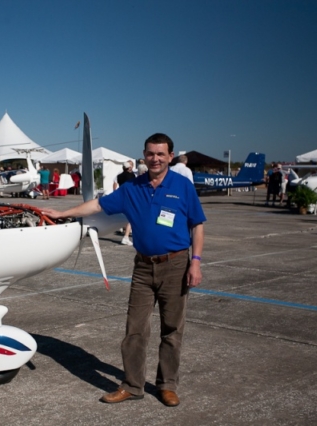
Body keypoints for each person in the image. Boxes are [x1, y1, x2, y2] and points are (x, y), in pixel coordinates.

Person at [41, 133, 205, 407]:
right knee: (135, 330)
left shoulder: (183, 186)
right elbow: (97, 205)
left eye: (161, 154)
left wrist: (196, 261)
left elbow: (197, 225)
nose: (155, 158)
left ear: (170, 157)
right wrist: (62, 213)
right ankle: (132, 385)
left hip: (176, 265)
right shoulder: (131, 188)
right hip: (143, 266)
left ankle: (166, 385)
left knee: (172, 329)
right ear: (144, 155)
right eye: (151, 153)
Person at [114, 161, 136, 245]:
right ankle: (126, 236)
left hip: (121, 195)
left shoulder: (119, 176)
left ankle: (124, 231)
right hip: (129, 197)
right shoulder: (131, 175)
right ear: (129, 168)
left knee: (124, 215)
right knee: (130, 217)